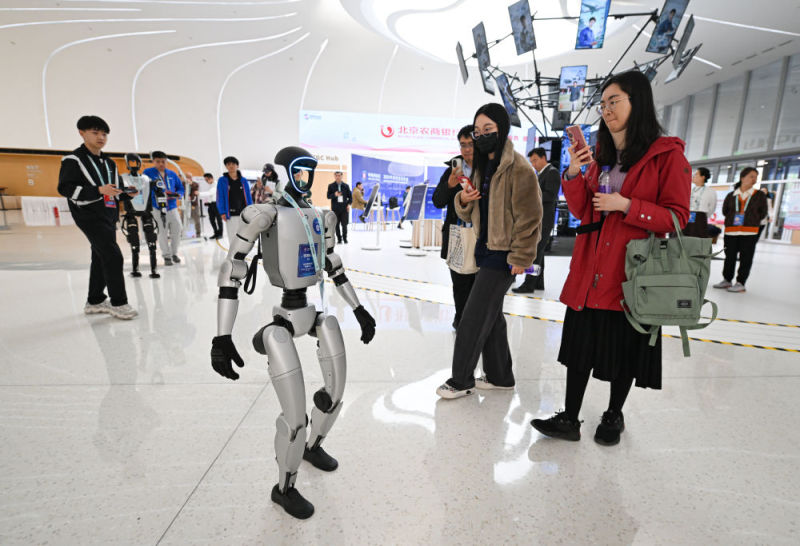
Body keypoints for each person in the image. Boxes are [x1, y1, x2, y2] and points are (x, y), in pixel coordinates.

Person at [209, 146, 375, 519]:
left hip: (311, 312)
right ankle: (284, 487)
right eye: (298, 171)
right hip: (282, 321)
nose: (305, 178)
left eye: (309, 171)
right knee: (295, 417)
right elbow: (233, 268)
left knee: (335, 390)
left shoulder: (321, 216)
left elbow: (334, 266)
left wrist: (359, 309)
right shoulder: (265, 214)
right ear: (284, 173)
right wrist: (221, 337)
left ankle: (313, 446)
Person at [531, 70, 690, 446]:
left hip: (632, 272)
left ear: (639, 102)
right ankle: (569, 418)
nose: (606, 109)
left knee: (625, 349)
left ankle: (613, 414)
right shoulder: (600, 156)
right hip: (591, 266)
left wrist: (627, 205)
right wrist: (574, 172)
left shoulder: (667, 155)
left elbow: (677, 218)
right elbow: (583, 209)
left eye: (614, 101)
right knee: (579, 348)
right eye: (602, 103)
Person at [436, 103, 542, 399]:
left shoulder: (520, 168)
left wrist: (521, 257)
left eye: (488, 130)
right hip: (484, 250)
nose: (481, 136)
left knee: (472, 318)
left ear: (502, 130)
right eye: (477, 131)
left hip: (504, 256)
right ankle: (500, 376)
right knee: (492, 317)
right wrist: (464, 200)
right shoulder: (485, 168)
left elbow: (530, 217)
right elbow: (469, 212)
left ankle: (461, 380)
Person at [57, 115, 138, 320]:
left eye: (104, 134)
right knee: (113, 255)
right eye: (95, 132)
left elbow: (115, 189)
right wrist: (99, 190)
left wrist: (126, 193)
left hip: (108, 214)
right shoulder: (73, 160)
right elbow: (65, 188)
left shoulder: (109, 162)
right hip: (88, 215)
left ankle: (94, 300)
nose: (101, 137)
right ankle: (119, 302)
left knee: (100, 255)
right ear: (82, 133)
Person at [432, 125, 477, 329]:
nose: (466, 149)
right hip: (457, 235)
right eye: (463, 145)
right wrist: (449, 185)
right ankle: (461, 321)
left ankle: (476, 324)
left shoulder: (489, 170)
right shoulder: (452, 171)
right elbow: (437, 201)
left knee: (479, 285)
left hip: (482, 237)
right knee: (459, 284)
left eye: (471, 144)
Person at [712, 167, 767, 293]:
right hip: (731, 231)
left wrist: (751, 219)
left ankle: (740, 282)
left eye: (756, 177)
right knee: (729, 256)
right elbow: (725, 211)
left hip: (749, 232)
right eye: (751, 176)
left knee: (746, 258)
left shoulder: (759, 195)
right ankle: (727, 280)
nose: (754, 179)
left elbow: (763, 213)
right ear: (743, 177)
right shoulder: (731, 195)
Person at [513, 147, 561, 293]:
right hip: (539, 218)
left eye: (535, 160)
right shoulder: (542, 173)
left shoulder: (552, 172)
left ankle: (529, 284)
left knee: (535, 251)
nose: (533, 164)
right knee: (539, 251)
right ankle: (538, 282)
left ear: (543, 158)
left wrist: (530, 197)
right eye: (531, 161)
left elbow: (550, 196)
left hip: (544, 218)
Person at [144, 151, 184, 266]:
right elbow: (144, 188)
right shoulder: (147, 173)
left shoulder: (172, 174)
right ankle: (166, 255)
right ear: (153, 161)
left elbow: (180, 188)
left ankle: (174, 253)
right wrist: (158, 195)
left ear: (166, 162)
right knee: (162, 232)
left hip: (172, 206)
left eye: (163, 161)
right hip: (157, 207)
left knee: (177, 229)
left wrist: (178, 195)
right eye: (158, 161)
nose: (161, 164)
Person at [216, 156, 253, 245]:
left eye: (233, 164)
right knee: (232, 236)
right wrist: (222, 212)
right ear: (226, 166)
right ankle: (233, 252)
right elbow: (220, 197)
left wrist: (251, 210)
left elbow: (248, 196)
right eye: (228, 164)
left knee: (244, 235)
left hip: (244, 213)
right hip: (230, 213)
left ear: (237, 166)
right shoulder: (222, 180)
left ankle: (242, 252)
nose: (231, 166)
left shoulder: (243, 180)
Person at [683, 167, 716, 238]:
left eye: (696, 174)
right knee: (684, 238)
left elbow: (712, 208)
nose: (693, 176)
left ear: (703, 177)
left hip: (700, 219)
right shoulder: (690, 190)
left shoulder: (710, 191)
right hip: (687, 217)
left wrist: (702, 216)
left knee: (698, 240)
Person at [326, 171, 352, 244]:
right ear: (334, 176)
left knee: (344, 224)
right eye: (336, 175)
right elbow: (328, 196)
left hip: (344, 208)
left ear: (342, 176)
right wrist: (334, 194)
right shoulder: (331, 186)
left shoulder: (346, 186)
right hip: (335, 208)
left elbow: (350, 197)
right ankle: (339, 239)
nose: (338, 177)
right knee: (336, 225)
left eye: (339, 175)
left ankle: (345, 238)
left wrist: (348, 204)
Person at [202, 172, 223, 239]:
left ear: (211, 178)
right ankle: (216, 233)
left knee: (219, 220)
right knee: (211, 220)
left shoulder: (216, 184)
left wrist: (199, 193)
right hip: (211, 205)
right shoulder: (210, 185)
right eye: (205, 180)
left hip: (216, 204)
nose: (206, 181)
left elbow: (210, 193)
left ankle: (220, 234)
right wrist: (208, 202)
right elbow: (211, 196)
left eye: (207, 180)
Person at [186, 172, 202, 238]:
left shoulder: (195, 184)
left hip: (194, 204)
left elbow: (195, 188)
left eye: (190, 177)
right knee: (186, 219)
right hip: (186, 205)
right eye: (187, 177)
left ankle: (198, 233)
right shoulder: (183, 184)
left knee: (196, 219)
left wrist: (191, 184)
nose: (189, 178)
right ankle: (189, 234)